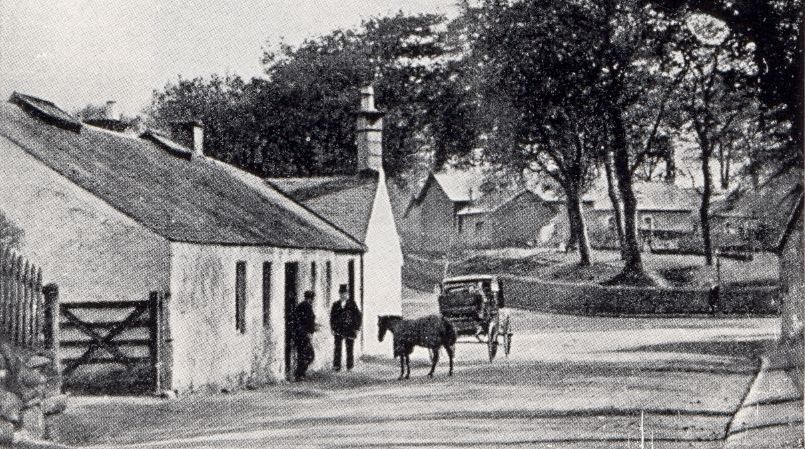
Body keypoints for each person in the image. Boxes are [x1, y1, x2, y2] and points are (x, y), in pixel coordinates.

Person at [330, 284, 362, 371]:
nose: (343, 295)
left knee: (349, 347)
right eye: (341, 293)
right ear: (339, 294)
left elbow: (358, 316)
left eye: (344, 293)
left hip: (349, 329)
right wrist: (332, 328)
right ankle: (337, 365)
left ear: (347, 294)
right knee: (337, 347)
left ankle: (350, 366)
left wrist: (357, 328)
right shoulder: (335, 304)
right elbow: (332, 317)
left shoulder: (352, 304)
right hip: (339, 329)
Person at [292, 290, 317, 381]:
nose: (312, 301)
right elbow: (308, 321)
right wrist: (310, 331)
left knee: (302, 354)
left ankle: (300, 374)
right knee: (309, 355)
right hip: (304, 335)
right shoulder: (307, 307)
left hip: (300, 334)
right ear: (310, 298)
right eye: (312, 299)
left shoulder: (301, 306)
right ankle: (299, 374)